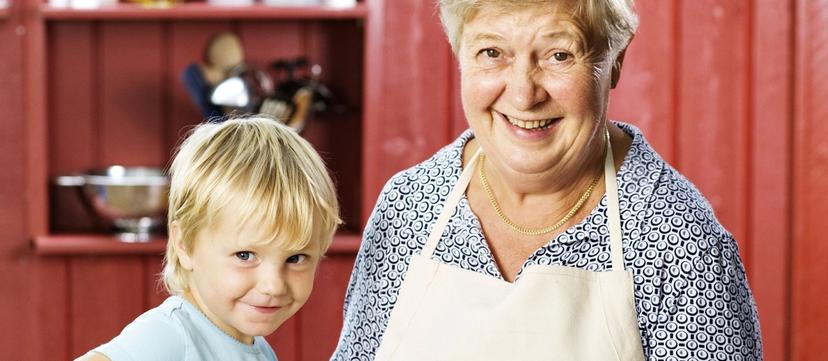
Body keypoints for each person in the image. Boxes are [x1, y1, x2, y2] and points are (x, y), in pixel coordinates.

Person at [331, 0, 762, 360]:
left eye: (559, 55)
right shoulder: (409, 206)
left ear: (614, 62)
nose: (524, 94)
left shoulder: (676, 238)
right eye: (492, 53)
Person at [76, 116, 340, 361]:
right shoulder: (170, 336)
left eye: (295, 258)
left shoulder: (258, 350)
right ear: (185, 244)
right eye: (245, 255)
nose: (273, 285)